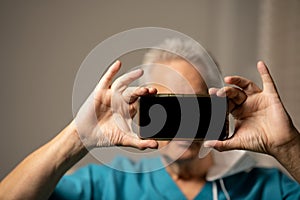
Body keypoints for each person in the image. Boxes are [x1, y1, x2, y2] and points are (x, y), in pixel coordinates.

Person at [0, 38, 299, 200]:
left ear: (216, 104)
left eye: (193, 106)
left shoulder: (266, 188)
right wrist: (78, 135)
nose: (183, 123)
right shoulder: (108, 186)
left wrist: (288, 146)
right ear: (143, 113)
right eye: (166, 109)